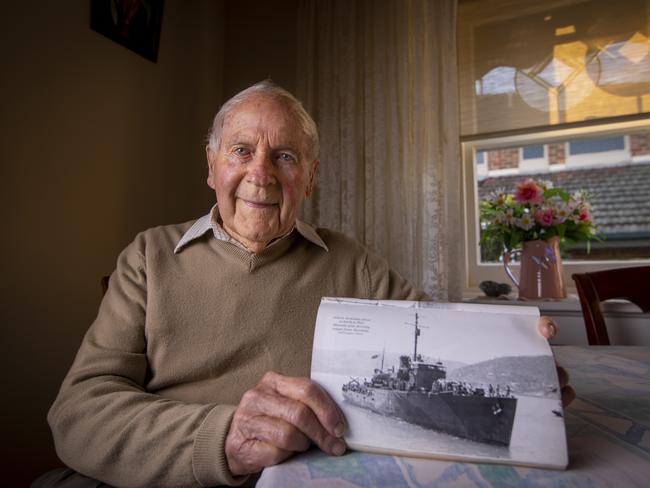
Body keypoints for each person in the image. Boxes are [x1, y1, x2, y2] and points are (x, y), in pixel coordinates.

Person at [39, 81, 573, 488]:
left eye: (285, 157)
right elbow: (78, 414)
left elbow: (437, 335)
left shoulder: (353, 264)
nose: (261, 174)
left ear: (310, 178)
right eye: (241, 151)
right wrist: (226, 439)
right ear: (211, 166)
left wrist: (518, 356)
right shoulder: (149, 257)